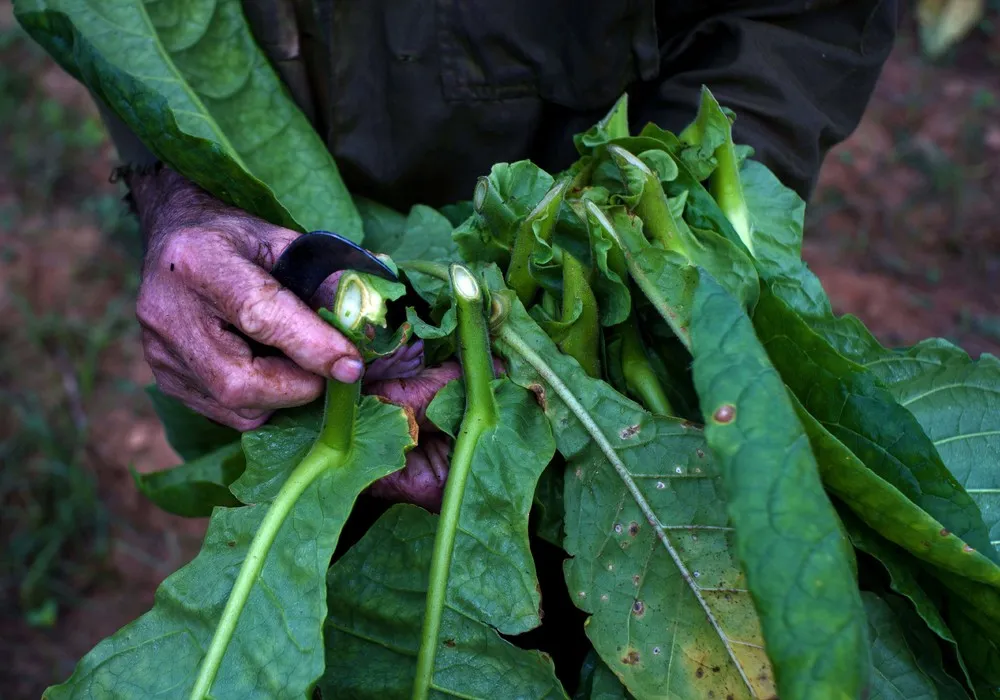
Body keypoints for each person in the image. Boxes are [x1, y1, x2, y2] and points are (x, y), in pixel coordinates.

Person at [96, 0, 897, 505]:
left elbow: (801, 20)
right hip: (282, 364)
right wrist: (176, 183)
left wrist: (614, 300)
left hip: (597, 393)